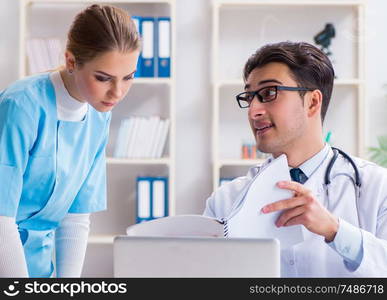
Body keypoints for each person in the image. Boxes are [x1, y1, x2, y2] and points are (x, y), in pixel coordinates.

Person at [203, 41, 387, 277]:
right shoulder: (226, 201)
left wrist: (335, 231)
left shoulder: (376, 186)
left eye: (269, 93)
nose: (253, 111)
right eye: (249, 97)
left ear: (312, 102)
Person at [0, 4, 140, 278]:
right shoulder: (20, 106)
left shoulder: (99, 115)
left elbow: (75, 218)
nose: (117, 92)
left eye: (129, 77)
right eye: (103, 78)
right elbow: (1, 218)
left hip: (39, 267)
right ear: (71, 61)